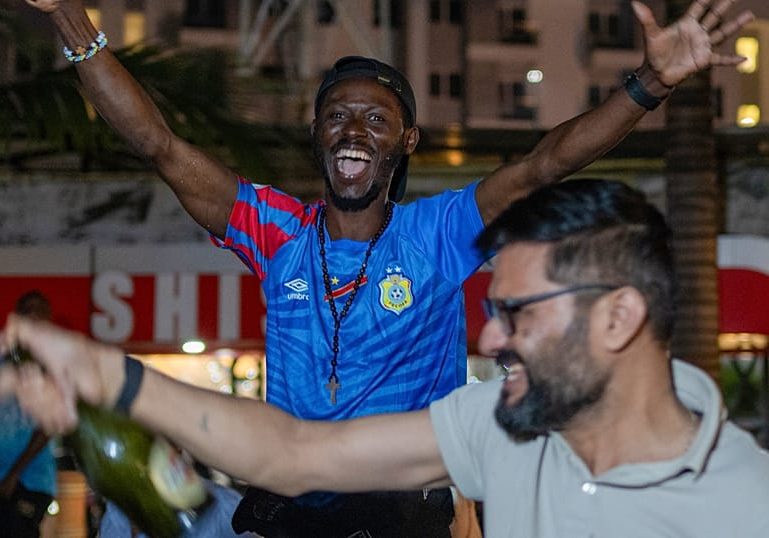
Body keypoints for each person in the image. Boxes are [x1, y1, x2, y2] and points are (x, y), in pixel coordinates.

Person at [21, 0, 755, 534]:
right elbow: (161, 146)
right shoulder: (275, 231)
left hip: (402, 509)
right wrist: (67, 20)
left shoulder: (438, 231)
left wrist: (646, 86)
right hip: (286, 498)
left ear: (405, 140)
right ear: (316, 133)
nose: (352, 130)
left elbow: (542, 165)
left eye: (375, 119)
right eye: (337, 115)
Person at [4, 178, 769, 537]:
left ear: (618, 316)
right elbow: (296, 451)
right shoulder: (497, 424)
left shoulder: (748, 506)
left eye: (513, 314)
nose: (490, 339)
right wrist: (110, 376)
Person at [0, 291, 57, 538]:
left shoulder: (53, 364)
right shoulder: (3, 359)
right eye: (27, 309)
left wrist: (14, 474)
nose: (33, 315)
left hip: (31, 480)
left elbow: (47, 427)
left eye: (39, 310)